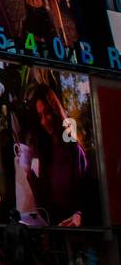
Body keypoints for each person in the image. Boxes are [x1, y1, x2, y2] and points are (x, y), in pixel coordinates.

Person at [19, 82, 89, 227]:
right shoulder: (47, 153)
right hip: (57, 233)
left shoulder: (74, 151)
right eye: (40, 116)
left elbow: (88, 198)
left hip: (76, 234)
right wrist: (28, 173)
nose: (44, 121)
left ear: (56, 110)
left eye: (48, 112)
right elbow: (45, 204)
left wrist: (79, 216)